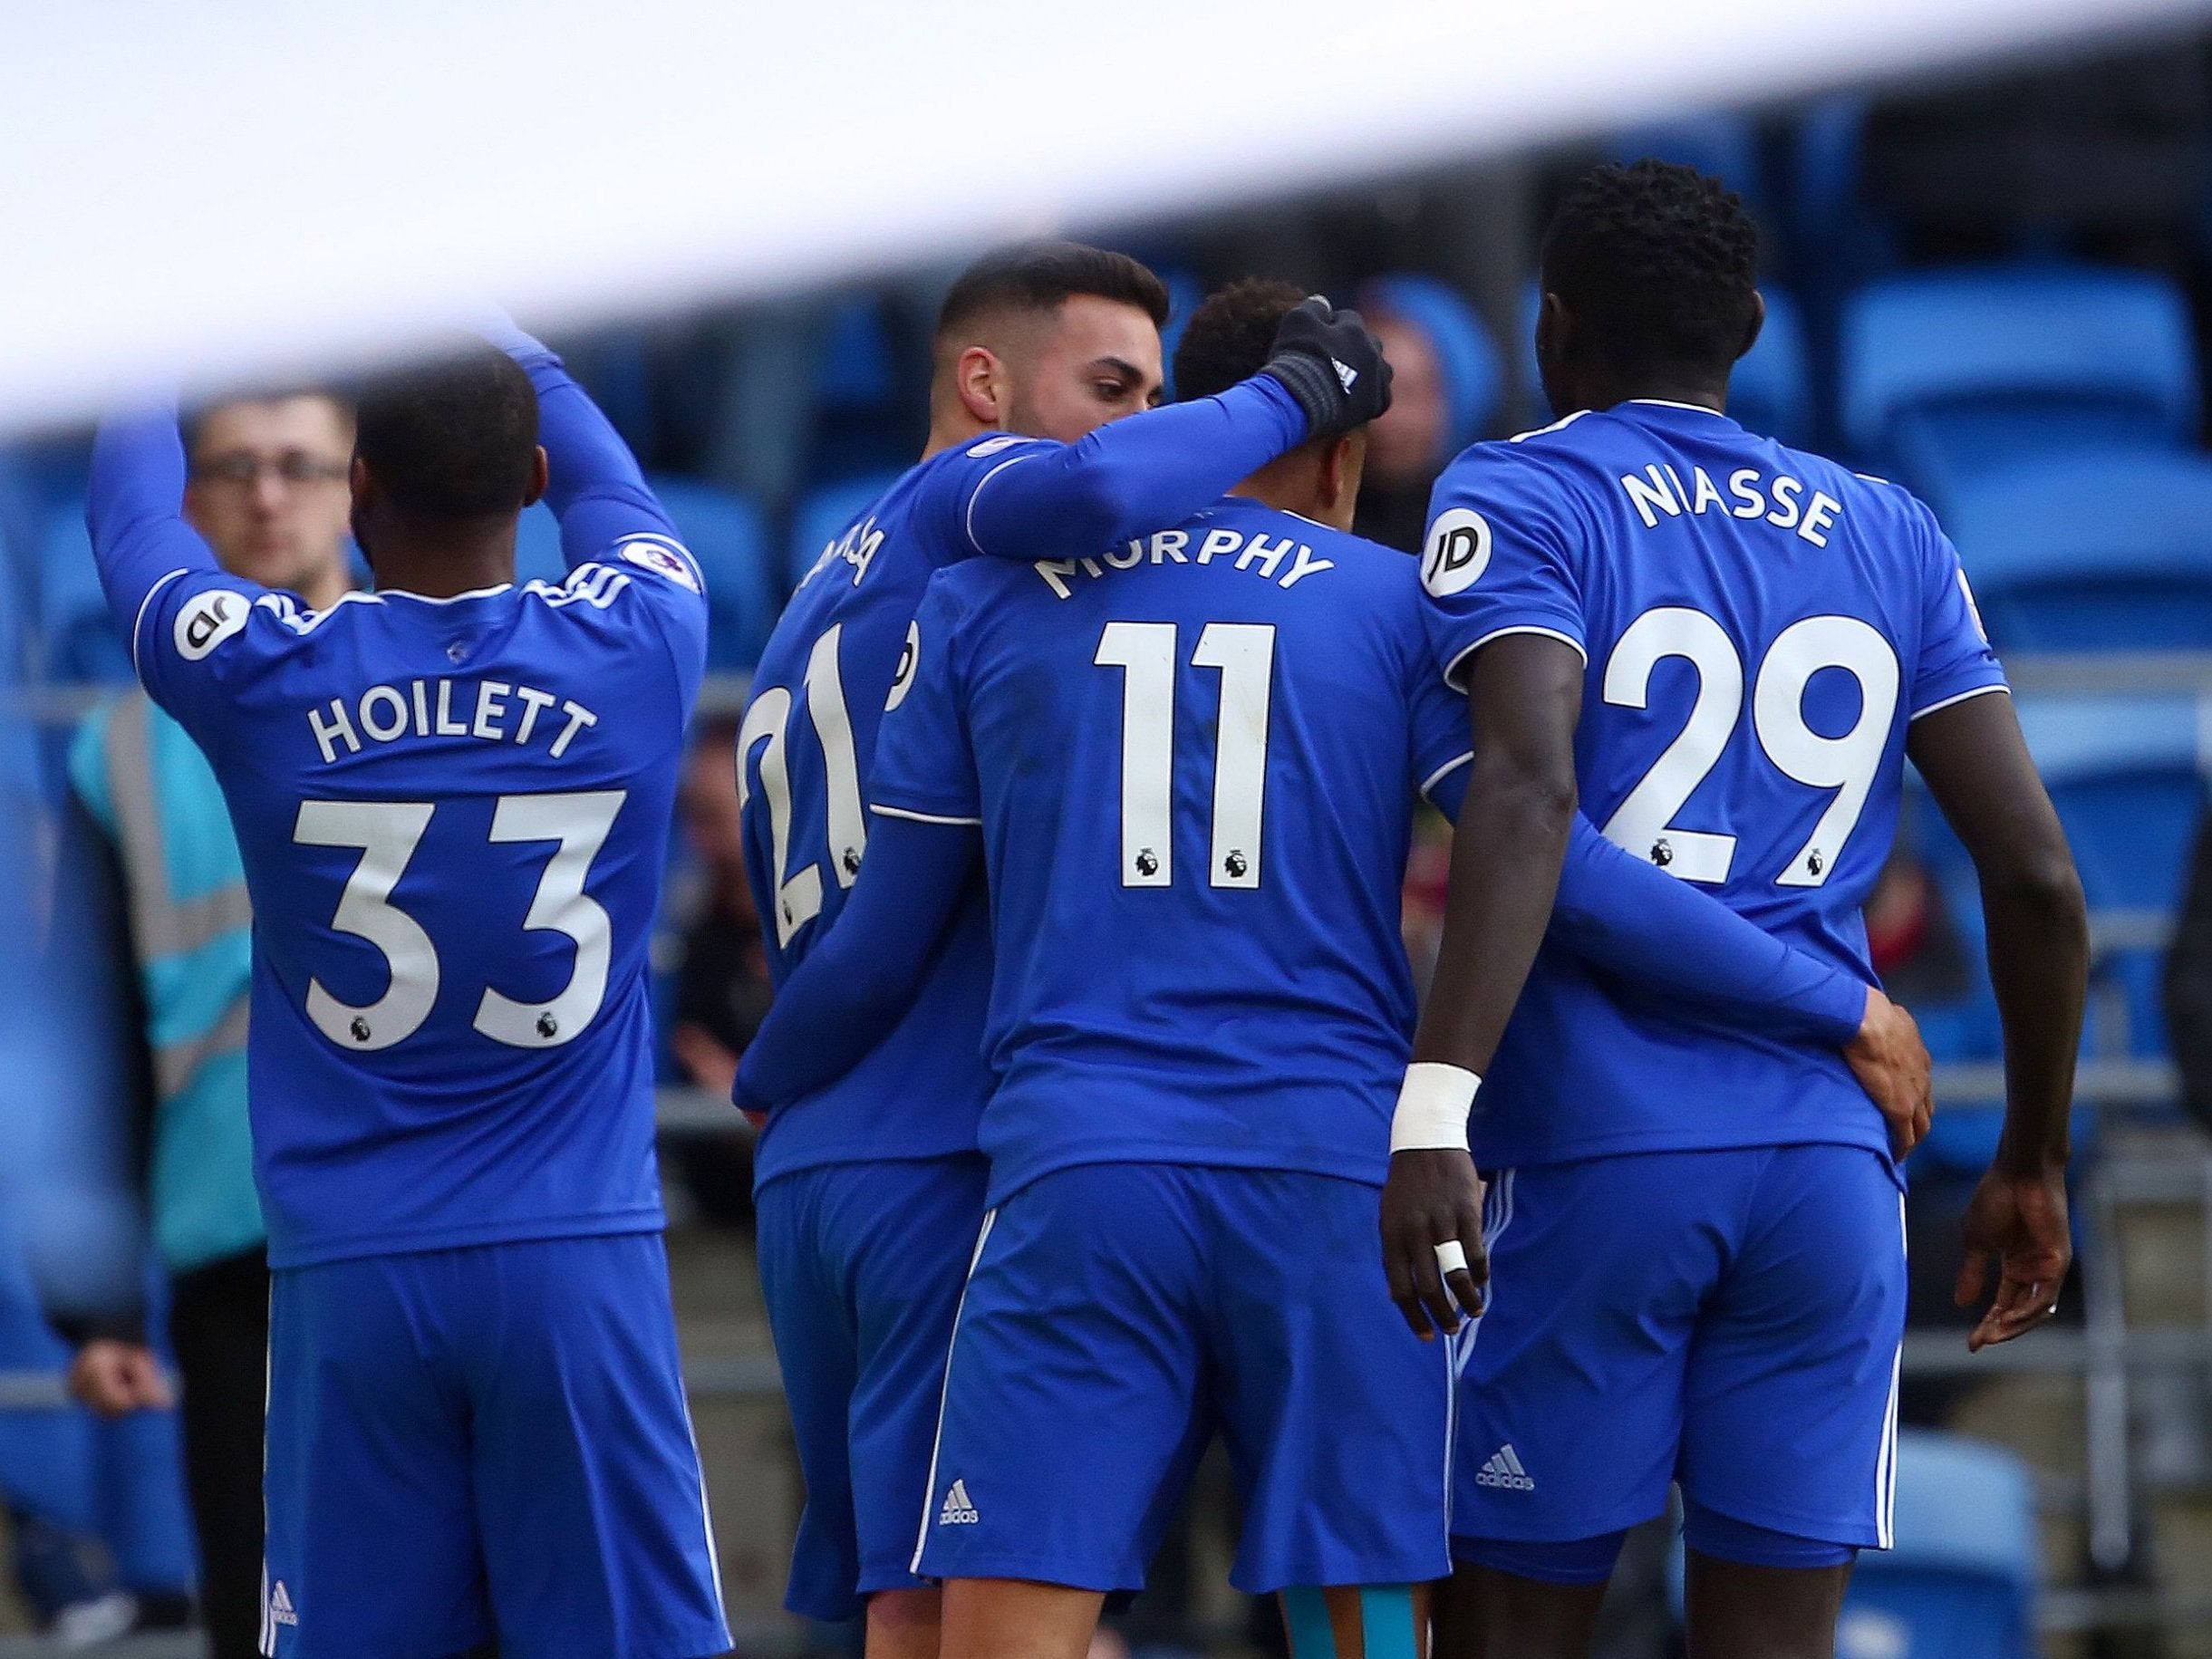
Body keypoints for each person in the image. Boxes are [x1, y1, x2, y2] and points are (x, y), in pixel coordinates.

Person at [734, 278, 1933, 1659]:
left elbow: (885, 942)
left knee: (997, 1623)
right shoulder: (1391, 604)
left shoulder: (988, 597)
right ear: (1344, 456)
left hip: (1080, 1170)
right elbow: (1564, 867)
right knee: (1357, 1625)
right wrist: (1828, 1001)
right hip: (1329, 1181)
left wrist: (773, 1076)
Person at [1381, 159, 2087, 1659]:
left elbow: (1525, 806)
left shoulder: (1520, 489)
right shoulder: (1891, 528)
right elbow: (2033, 877)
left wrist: (1431, 1106)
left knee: (1512, 1632)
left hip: (1593, 1157)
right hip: (1835, 1172)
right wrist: (2028, 1156)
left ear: (1550, 329)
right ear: (1753, 324)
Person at [736, 240, 1391, 1659]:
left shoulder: (813, 585)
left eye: (1160, 396)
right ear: (983, 385)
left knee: (920, 1613)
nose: (1145, 433)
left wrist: (772, 1070)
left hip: (820, 1157)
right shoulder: (979, 525)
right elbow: (1098, 489)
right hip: (938, 1145)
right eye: (1114, 389)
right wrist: (1298, 394)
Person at [85, 322, 730, 1658]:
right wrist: (487, 309)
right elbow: (611, 484)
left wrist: (152, 323)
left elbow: (133, 519)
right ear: (533, 476)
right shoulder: (647, 636)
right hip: (575, 1262)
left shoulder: (260, 669)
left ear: (355, 487)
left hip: (350, 1283)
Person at [63, 389, 354, 1659]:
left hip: (411, 1220)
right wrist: (97, 1305)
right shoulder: (114, 752)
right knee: (261, 1616)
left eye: (300, 464)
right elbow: (92, 1043)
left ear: (361, 483)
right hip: (224, 1244)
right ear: (184, 496)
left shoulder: (461, 676)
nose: (268, 495)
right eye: (235, 466)